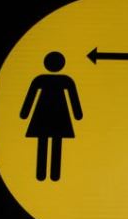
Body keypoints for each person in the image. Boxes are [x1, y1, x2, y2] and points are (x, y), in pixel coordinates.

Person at [20, 51, 83, 182]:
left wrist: (24, 113)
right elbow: (73, 99)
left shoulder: (42, 79)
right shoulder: (64, 80)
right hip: (56, 115)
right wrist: (77, 114)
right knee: (55, 143)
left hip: (45, 114)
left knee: (45, 143)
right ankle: (51, 175)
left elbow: (30, 97)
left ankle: (44, 174)